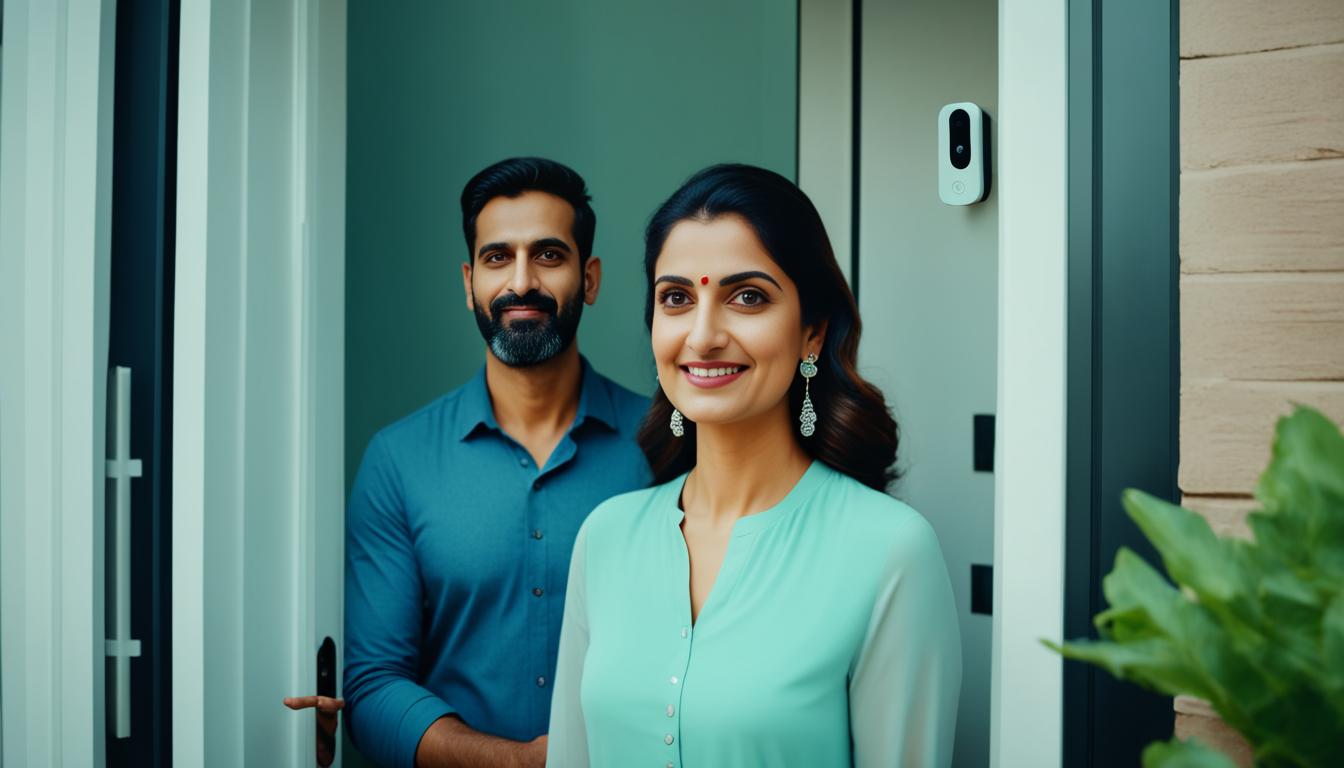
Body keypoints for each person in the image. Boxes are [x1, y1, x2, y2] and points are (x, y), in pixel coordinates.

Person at [546, 164, 962, 766]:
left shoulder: (890, 553)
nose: (704, 335)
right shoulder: (605, 538)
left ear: (812, 333)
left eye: (747, 297)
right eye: (677, 298)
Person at [286, 157, 651, 767]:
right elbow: (373, 687)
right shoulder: (398, 462)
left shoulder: (666, 448)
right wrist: (516, 763)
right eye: (497, 257)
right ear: (468, 282)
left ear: (589, 279)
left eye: (549, 255)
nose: (522, 282)